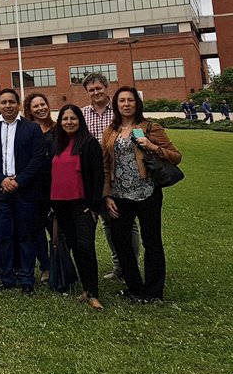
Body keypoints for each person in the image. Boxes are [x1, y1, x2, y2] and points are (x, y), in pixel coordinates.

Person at [102, 86, 182, 303]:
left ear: (137, 104)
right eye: (122, 101)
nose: (126, 104)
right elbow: (106, 165)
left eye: (130, 100)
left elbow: (176, 156)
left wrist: (153, 146)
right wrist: (107, 195)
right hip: (120, 195)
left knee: (152, 241)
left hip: (147, 192)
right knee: (121, 242)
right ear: (116, 105)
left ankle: (153, 292)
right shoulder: (111, 131)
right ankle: (134, 288)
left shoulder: (150, 127)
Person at [0, 88, 47, 294]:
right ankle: (7, 278)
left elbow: (37, 158)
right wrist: (1, 179)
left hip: (25, 191)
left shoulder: (32, 129)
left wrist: (20, 181)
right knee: (3, 236)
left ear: (18, 104)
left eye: (11, 102)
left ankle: (27, 279)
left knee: (25, 236)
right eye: (4, 102)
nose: (8, 106)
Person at [80, 72, 138, 281]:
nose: (96, 92)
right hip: (93, 176)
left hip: (120, 174)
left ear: (106, 87)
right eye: (91, 90)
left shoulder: (119, 110)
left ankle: (129, 267)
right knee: (106, 221)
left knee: (125, 221)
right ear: (87, 92)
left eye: (99, 88)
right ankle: (119, 266)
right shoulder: (82, 114)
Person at [49, 105, 104, 310]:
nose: (69, 122)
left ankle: (93, 292)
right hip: (60, 204)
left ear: (80, 120)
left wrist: (93, 205)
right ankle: (86, 289)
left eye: (73, 118)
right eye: (65, 119)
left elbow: (98, 176)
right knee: (74, 246)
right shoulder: (56, 144)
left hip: (83, 205)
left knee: (86, 247)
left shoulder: (89, 143)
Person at [24, 92, 55, 283]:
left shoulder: (58, 129)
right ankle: (45, 266)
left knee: (56, 228)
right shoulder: (26, 130)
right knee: (36, 229)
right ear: (29, 110)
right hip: (33, 186)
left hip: (56, 185)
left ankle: (61, 264)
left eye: (43, 104)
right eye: (36, 106)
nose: (41, 108)